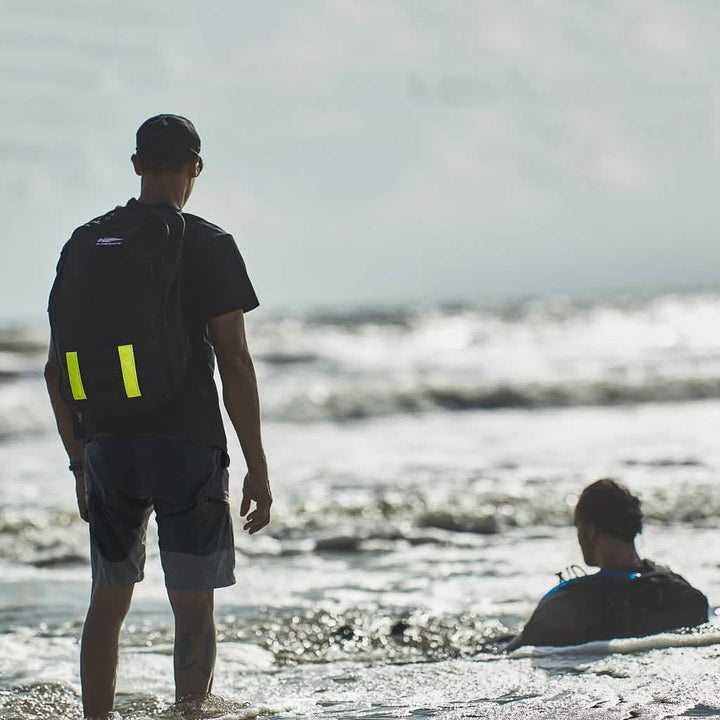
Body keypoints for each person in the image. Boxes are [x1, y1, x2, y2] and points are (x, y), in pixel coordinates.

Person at [44, 114, 272, 719]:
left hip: (108, 447)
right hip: (187, 446)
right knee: (192, 604)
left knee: (108, 600)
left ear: (137, 165)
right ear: (195, 166)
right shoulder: (209, 243)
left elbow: (53, 370)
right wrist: (257, 467)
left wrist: (78, 463)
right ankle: (188, 713)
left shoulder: (84, 244)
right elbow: (237, 364)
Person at [506, 478, 707, 651]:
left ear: (591, 530)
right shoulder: (681, 592)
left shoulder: (568, 601)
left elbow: (514, 651)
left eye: (578, 527)